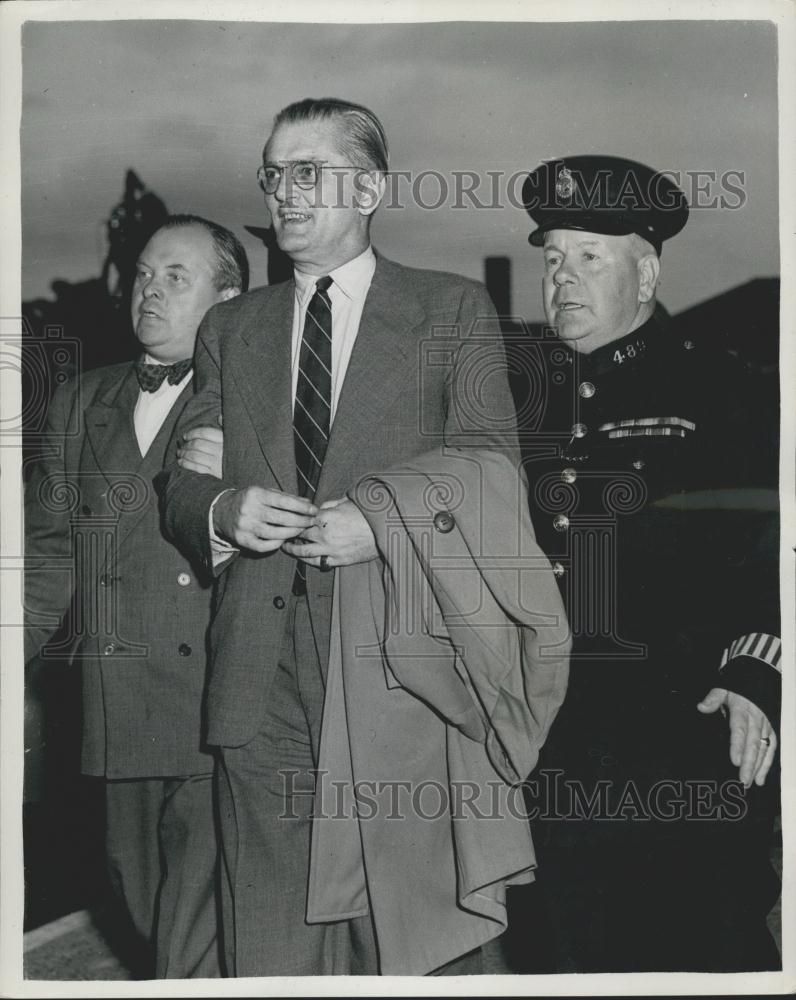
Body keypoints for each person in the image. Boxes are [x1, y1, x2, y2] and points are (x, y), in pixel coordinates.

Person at [161, 98, 556, 977]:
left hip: (400, 674)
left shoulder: (451, 309)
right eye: (274, 174)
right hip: (259, 679)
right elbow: (184, 481)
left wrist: (380, 520)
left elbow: (494, 470)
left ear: (371, 188)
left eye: (310, 171)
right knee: (269, 947)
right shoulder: (231, 327)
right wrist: (223, 511)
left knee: (417, 937)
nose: (285, 192)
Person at [506, 155, 781, 972]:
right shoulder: (518, 407)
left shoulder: (727, 391)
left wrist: (756, 674)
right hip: (546, 755)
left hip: (684, 743)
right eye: (554, 258)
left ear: (648, 273)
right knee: (555, 960)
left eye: (591, 256)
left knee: (697, 956)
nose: (563, 278)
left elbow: (774, 549)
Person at [24, 215, 248, 978]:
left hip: (216, 711)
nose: (150, 291)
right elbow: (49, 556)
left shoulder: (261, 402)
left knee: (192, 940)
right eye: (144, 275)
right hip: (115, 709)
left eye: (176, 278)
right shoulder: (80, 400)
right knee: (139, 906)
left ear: (228, 298)